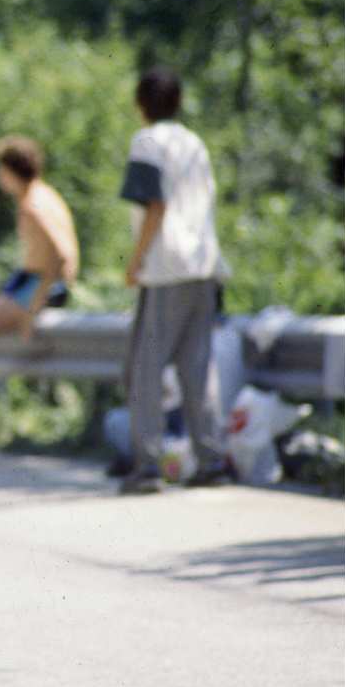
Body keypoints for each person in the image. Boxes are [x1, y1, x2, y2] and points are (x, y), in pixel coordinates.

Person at [118, 67, 232, 495]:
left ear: (141, 104)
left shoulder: (147, 141)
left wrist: (135, 260)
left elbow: (155, 204)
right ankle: (211, 459)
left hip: (166, 268)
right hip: (204, 265)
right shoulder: (193, 142)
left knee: (145, 370)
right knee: (196, 369)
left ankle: (148, 466)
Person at [0, 136, 80, 445]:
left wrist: (33, 307)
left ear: (10, 171)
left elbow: (63, 255)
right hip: (31, 282)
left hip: (36, 285)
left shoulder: (33, 205)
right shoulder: (46, 194)